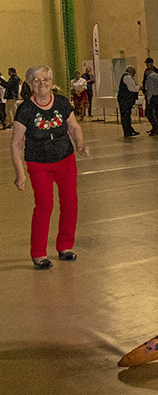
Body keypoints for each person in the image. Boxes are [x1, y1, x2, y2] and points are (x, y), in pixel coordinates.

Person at [10, 65, 89, 270]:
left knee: (70, 203)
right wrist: (20, 173)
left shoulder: (61, 102)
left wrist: (80, 143)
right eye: (36, 80)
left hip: (65, 159)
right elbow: (17, 143)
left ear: (51, 82)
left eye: (45, 79)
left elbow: (73, 126)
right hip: (39, 164)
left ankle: (64, 247)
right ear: (29, 85)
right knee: (45, 206)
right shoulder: (25, 109)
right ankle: (38, 253)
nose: (42, 83)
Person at [142, 57, 158, 135]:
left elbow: (150, 86)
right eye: (146, 63)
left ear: (152, 63)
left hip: (153, 95)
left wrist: (149, 96)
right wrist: (144, 92)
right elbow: (144, 83)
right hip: (156, 95)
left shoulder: (157, 72)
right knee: (153, 112)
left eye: (148, 63)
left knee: (153, 112)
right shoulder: (146, 72)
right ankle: (155, 127)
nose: (147, 65)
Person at [117, 65, 140, 137]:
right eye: (134, 71)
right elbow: (132, 88)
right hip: (125, 99)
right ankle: (127, 131)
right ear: (131, 71)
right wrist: (140, 88)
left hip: (125, 99)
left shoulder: (127, 77)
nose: (135, 73)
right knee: (125, 115)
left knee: (127, 115)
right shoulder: (127, 77)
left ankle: (129, 129)